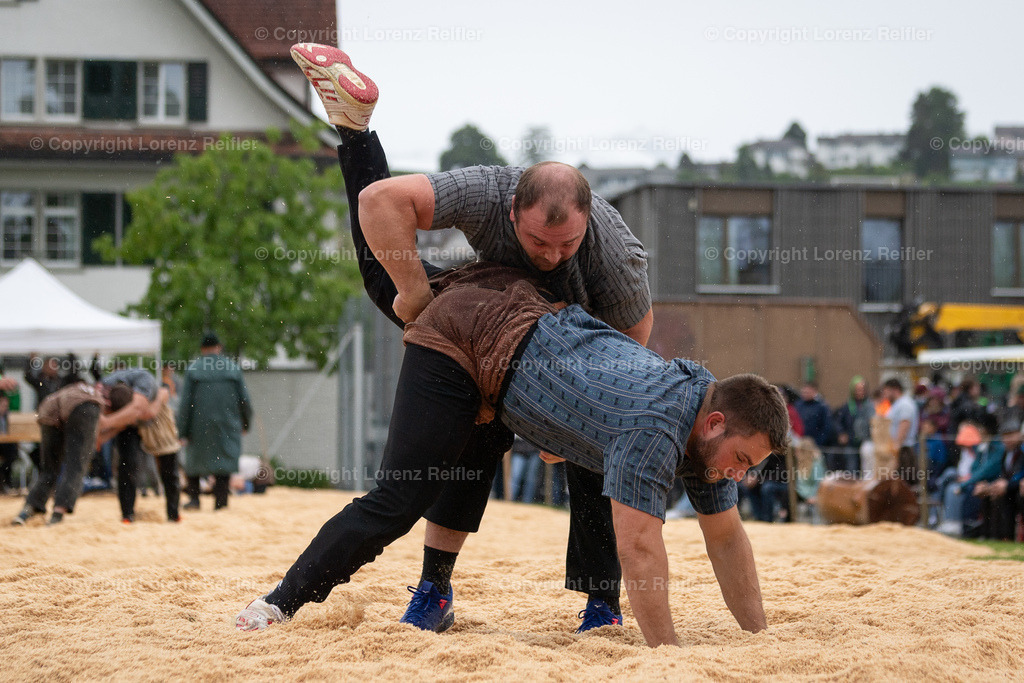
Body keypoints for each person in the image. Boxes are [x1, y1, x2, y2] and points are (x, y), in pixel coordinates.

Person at [290, 43, 654, 631]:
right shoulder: (487, 189)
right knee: (391, 289)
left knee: (595, 452)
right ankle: (434, 589)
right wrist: (414, 293)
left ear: (588, 223)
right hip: (481, 320)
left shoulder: (613, 258)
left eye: (567, 245)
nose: (553, 254)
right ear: (512, 211)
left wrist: (579, 416)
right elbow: (382, 202)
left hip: (570, 351)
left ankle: (601, 604)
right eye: (540, 241)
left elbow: (633, 342)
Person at [235, 261, 790, 647]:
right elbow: (642, 550)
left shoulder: (708, 416)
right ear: (715, 423)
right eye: (740, 461)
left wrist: (759, 638)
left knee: (595, 470)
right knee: (400, 497)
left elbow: (725, 535)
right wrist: (668, 657)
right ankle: (278, 603)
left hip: (528, 354)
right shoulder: (659, 423)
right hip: (467, 332)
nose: (737, 476)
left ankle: (589, 604)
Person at [10, 382, 141, 526]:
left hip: (48, 408)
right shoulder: (96, 402)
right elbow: (100, 427)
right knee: (76, 464)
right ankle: (58, 513)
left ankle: (28, 510)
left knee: (49, 469)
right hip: (82, 408)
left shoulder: (93, 388)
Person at [177, 332, 253, 511]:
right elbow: (245, 400)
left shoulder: (194, 369)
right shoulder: (233, 369)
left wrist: (182, 431)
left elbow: (186, 404)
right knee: (224, 462)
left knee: (195, 461)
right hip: (227, 424)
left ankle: (194, 499)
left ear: (202, 349)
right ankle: (221, 501)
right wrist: (245, 422)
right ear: (219, 347)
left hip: (199, 426)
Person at [99, 368, 163, 523]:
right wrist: (102, 436)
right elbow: (123, 420)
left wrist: (107, 424)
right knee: (128, 463)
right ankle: (127, 513)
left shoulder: (145, 381)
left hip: (153, 413)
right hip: (132, 412)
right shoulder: (102, 389)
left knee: (165, 456)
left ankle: (171, 510)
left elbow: (143, 411)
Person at [832, 376, 873, 475]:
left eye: (862, 389)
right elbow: (837, 422)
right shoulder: (847, 406)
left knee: (867, 470)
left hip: (865, 442)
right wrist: (841, 433)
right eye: (858, 389)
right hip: (851, 442)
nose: (860, 392)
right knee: (851, 469)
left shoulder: (870, 406)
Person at [881, 378, 920, 482]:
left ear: (894, 390)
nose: (885, 395)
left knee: (903, 481)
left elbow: (905, 423)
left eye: (886, 391)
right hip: (897, 448)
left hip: (904, 449)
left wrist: (897, 445)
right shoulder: (896, 404)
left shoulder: (904, 404)